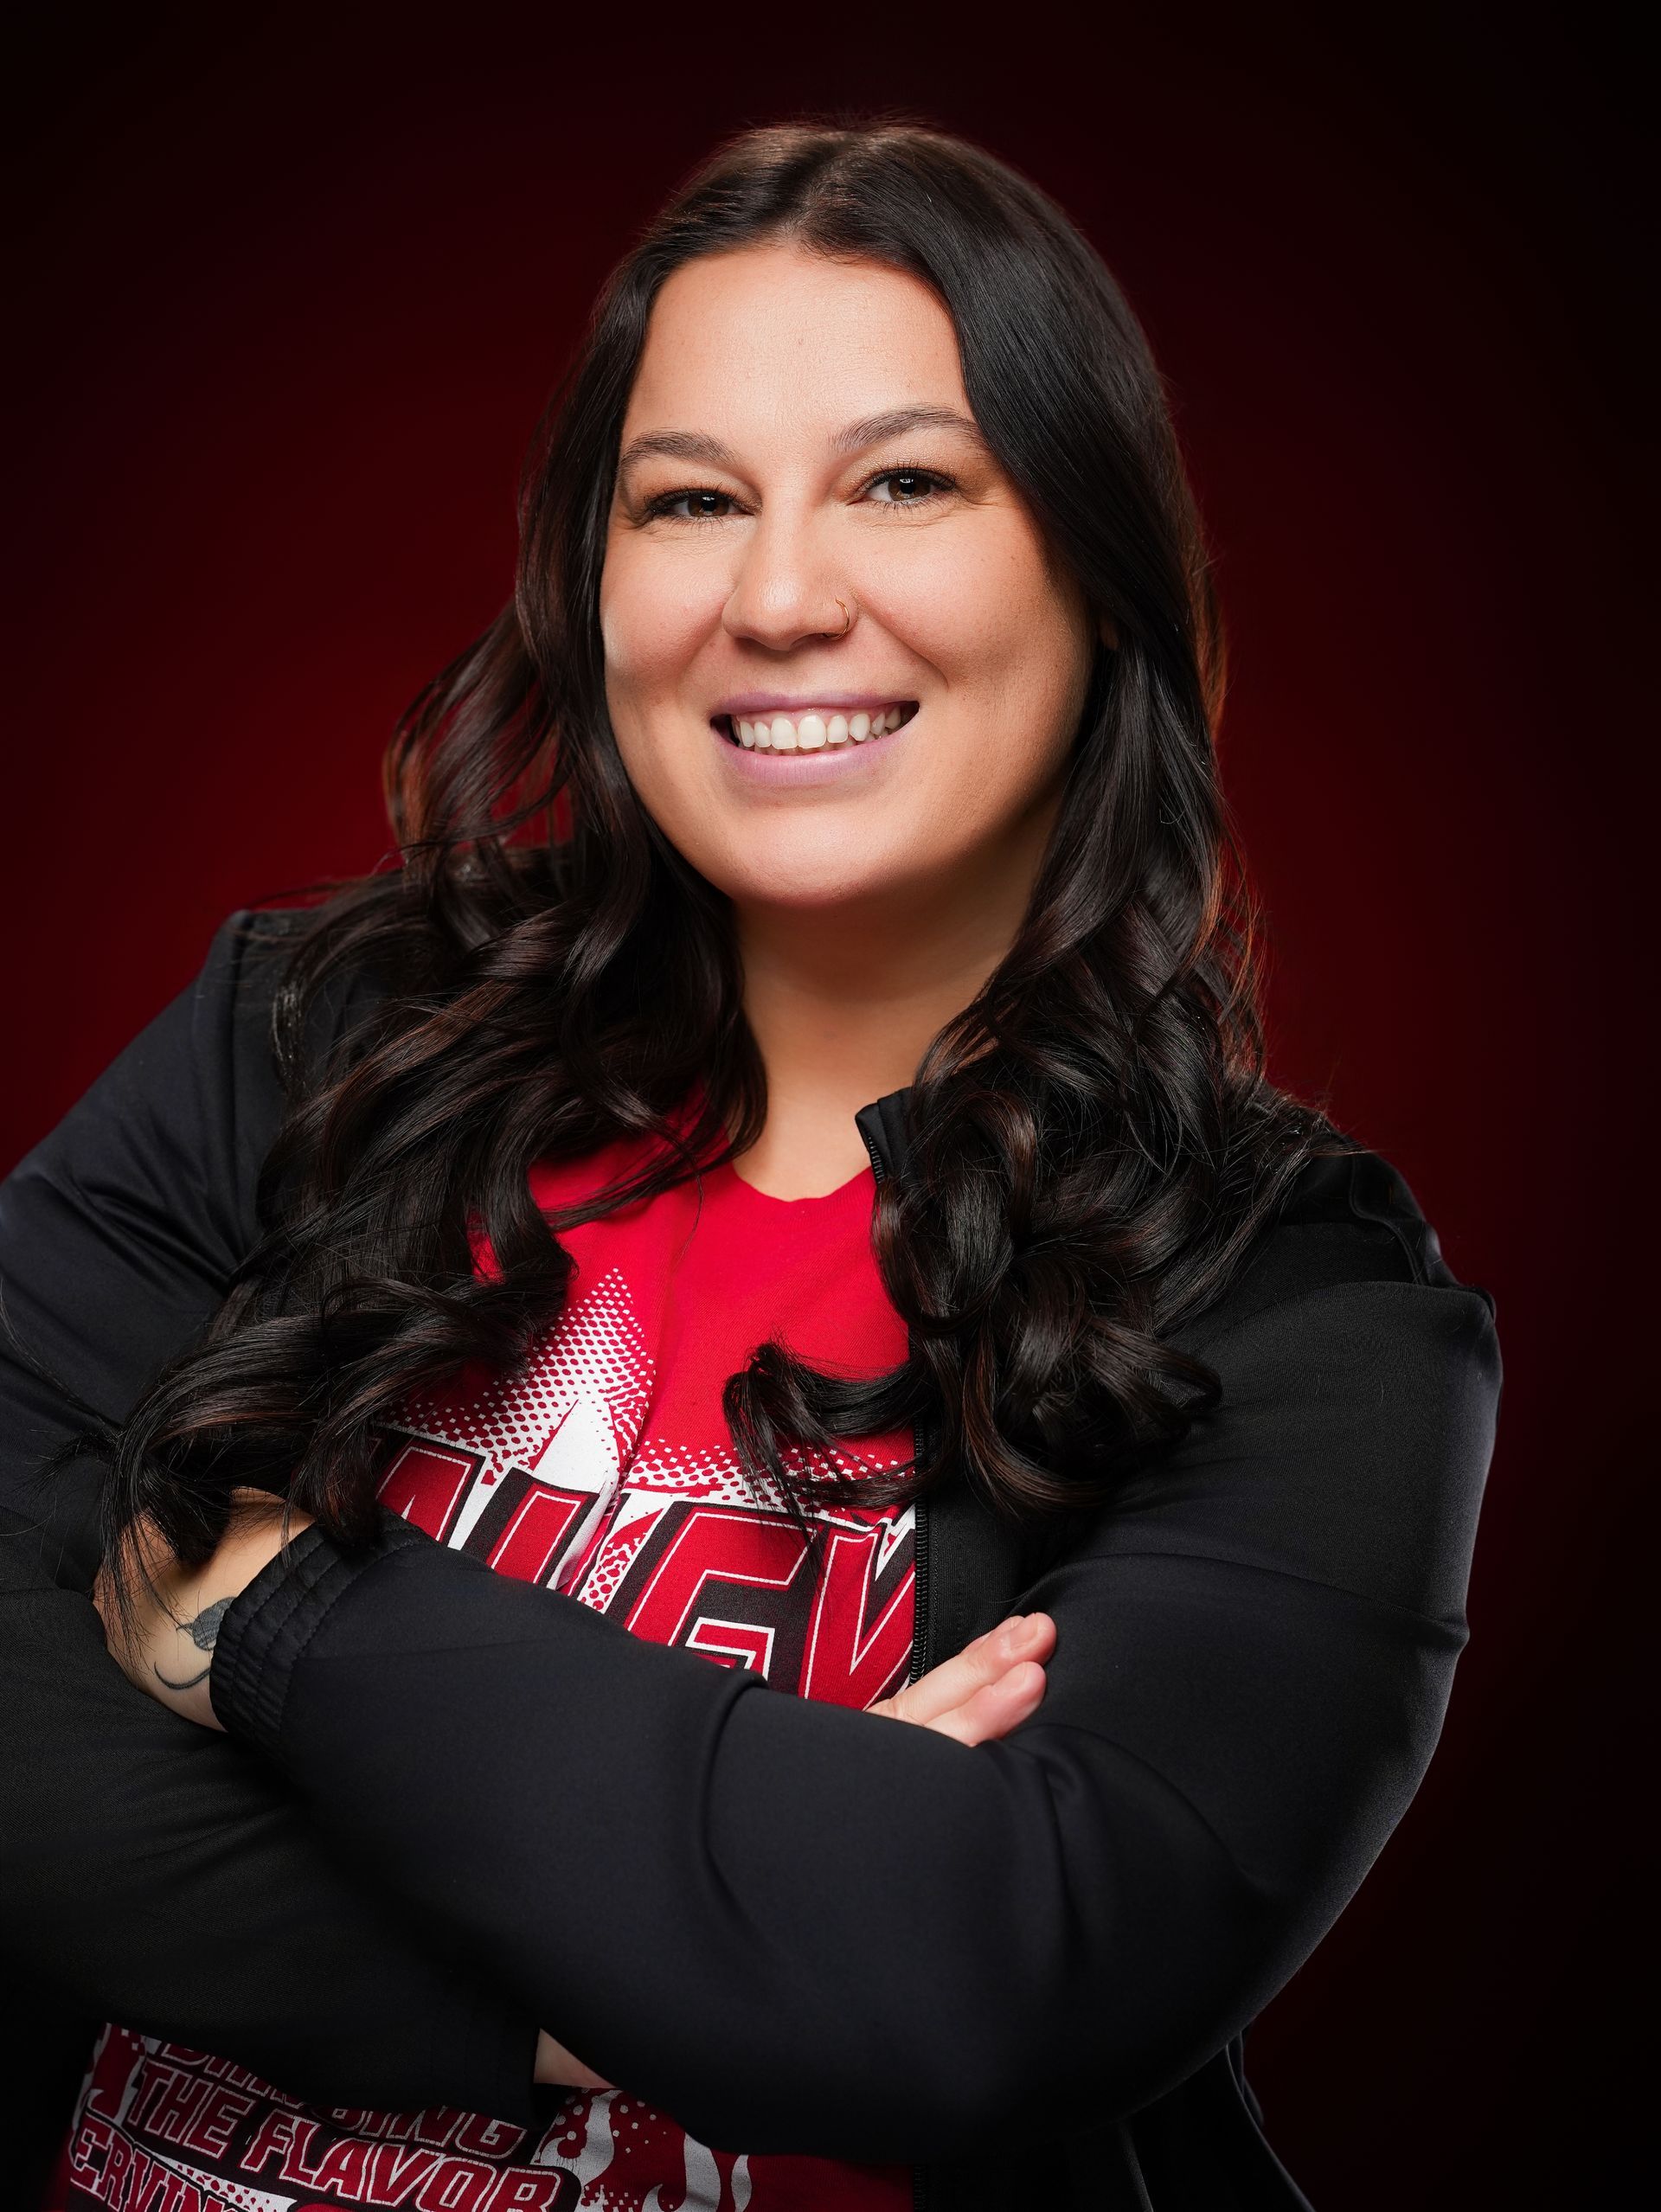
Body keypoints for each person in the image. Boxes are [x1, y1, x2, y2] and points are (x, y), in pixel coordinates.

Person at [0, 120, 1501, 2212]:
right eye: (691, 500)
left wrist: (255, 1608)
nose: (780, 598)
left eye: (904, 482)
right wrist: (625, 1965)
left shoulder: (1296, 1301)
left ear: (1093, 568)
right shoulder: (310, 1040)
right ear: (594, 582)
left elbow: (972, 1978)